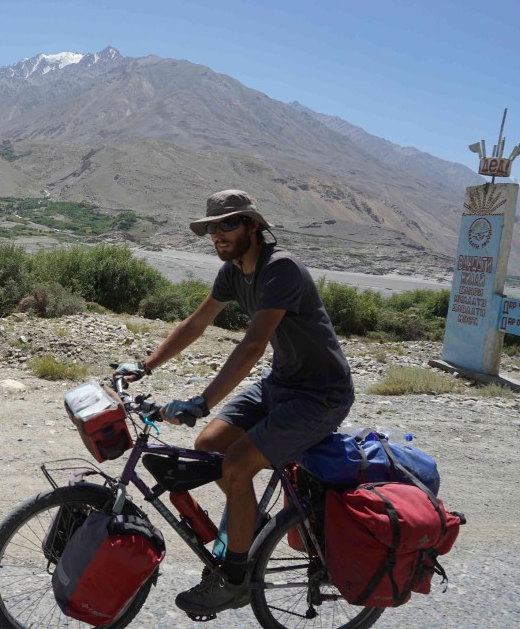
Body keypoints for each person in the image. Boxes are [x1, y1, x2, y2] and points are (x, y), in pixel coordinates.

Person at [115, 189, 353, 616]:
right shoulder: (233, 273)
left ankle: (237, 579)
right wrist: (145, 366)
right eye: (211, 228)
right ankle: (251, 527)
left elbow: (252, 345)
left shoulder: (280, 269)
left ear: (253, 226)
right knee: (209, 447)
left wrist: (203, 401)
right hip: (282, 383)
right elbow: (197, 323)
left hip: (321, 395)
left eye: (228, 224)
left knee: (237, 465)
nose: (217, 235)